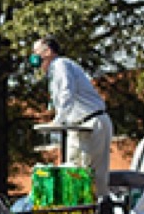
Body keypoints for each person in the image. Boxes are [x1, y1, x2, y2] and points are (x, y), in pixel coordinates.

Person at [31, 36, 113, 201]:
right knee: (73, 172)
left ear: (48, 52)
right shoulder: (54, 73)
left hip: (92, 122)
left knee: (94, 175)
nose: (34, 57)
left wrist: (58, 120)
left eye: (36, 52)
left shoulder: (61, 64)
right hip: (77, 126)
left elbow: (67, 92)